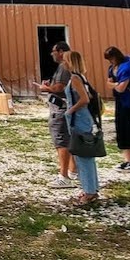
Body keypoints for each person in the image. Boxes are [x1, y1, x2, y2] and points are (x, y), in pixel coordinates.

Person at [61, 51, 100, 206]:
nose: (63, 63)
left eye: (65, 60)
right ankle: (91, 188)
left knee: (82, 156)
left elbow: (84, 99)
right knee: (86, 156)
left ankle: (89, 192)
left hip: (79, 119)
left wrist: (70, 110)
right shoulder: (81, 77)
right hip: (83, 119)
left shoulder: (75, 79)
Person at [38, 41, 76, 188]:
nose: (52, 54)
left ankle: (64, 176)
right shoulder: (70, 66)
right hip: (65, 108)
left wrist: (46, 88)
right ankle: (73, 171)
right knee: (68, 140)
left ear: (60, 52)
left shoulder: (63, 66)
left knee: (61, 143)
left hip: (60, 109)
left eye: (53, 51)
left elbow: (60, 87)